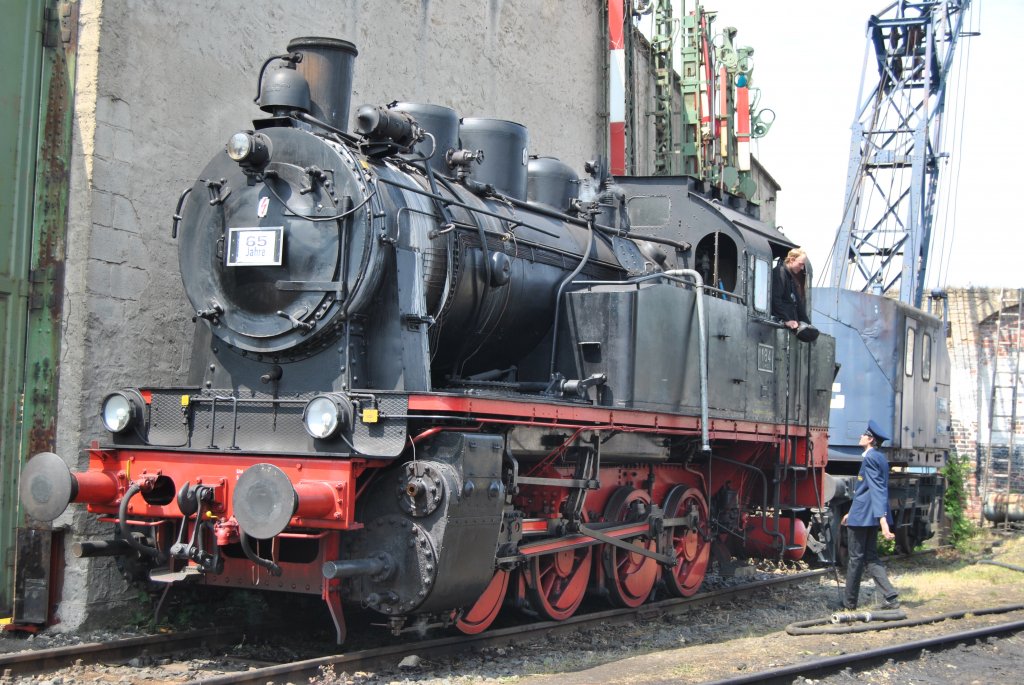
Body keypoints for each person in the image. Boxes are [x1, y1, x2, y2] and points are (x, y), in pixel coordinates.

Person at [841, 420, 900, 610]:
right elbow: (864, 489)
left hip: (863, 516)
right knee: (870, 557)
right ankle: (890, 595)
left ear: (870, 439)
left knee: (855, 559)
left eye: (863, 434)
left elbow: (877, 489)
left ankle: (849, 603)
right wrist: (850, 512)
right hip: (865, 514)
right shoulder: (880, 457)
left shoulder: (870, 458)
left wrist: (883, 522)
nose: (860, 436)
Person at [771, 248, 810, 330]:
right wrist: (786, 320)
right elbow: (775, 299)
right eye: (800, 264)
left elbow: (798, 304)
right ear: (792, 260)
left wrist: (808, 325)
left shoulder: (790, 278)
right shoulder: (779, 273)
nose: (802, 268)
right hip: (782, 325)